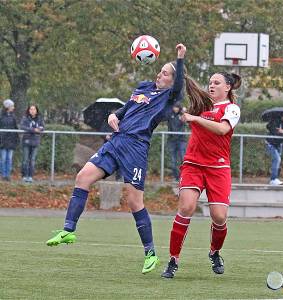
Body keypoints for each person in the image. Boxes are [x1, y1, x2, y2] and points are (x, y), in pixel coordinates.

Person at [46, 43, 191, 275]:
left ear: (173, 80)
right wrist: (114, 116)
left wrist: (180, 59)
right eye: (160, 70)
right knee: (82, 177)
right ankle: (68, 230)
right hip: (115, 141)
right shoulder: (143, 87)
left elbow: (180, 88)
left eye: (165, 72)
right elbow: (125, 111)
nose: (159, 74)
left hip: (136, 147)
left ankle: (150, 252)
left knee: (134, 202)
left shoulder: (168, 97)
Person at [161, 72, 241, 278]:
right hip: (193, 165)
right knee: (186, 207)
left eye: (217, 83)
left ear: (228, 88)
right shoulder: (200, 105)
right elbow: (186, 88)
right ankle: (172, 260)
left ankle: (214, 252)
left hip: (218, 168)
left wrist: (195, 117)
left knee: (219, 216)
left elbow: (222, 130)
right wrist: (179, 70)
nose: (212, 85)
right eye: (210, 82)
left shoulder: (231, 108)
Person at [20, 105, 44, 183]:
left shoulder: (40, 119)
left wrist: (40, 129)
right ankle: (24, 176)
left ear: (36, 110)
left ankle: (30, 176)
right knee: (25, 160)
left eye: (34, 109)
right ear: (28, 110)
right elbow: (23, 127)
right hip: (26, 141)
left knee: (32, 160)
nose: (32, 110)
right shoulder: (25, 118)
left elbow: (42, 127)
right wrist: (33, 130)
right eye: (31, 109)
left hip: (35, 142)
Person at [167, 103, 187, 181]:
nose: (175, 109)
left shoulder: (182, 115)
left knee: (183, 158)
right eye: (174, 107)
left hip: (181, 140)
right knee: (173, 161)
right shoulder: (170, 115)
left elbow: (187, 120)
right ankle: (176, 177)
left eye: (177, 107)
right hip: (172, 141)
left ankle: (184, 176)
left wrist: (184, 112)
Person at [0, 99, 19, 181]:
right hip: (2, 141)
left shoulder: (13, 116)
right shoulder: (1, 115)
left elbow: (15, 128)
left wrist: (16, 138)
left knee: (9, 159)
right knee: (3, 159)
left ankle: (8, 175)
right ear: (7, 107)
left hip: (11, 141)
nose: (13, 108)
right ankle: (3, 175)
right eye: (12, 106)